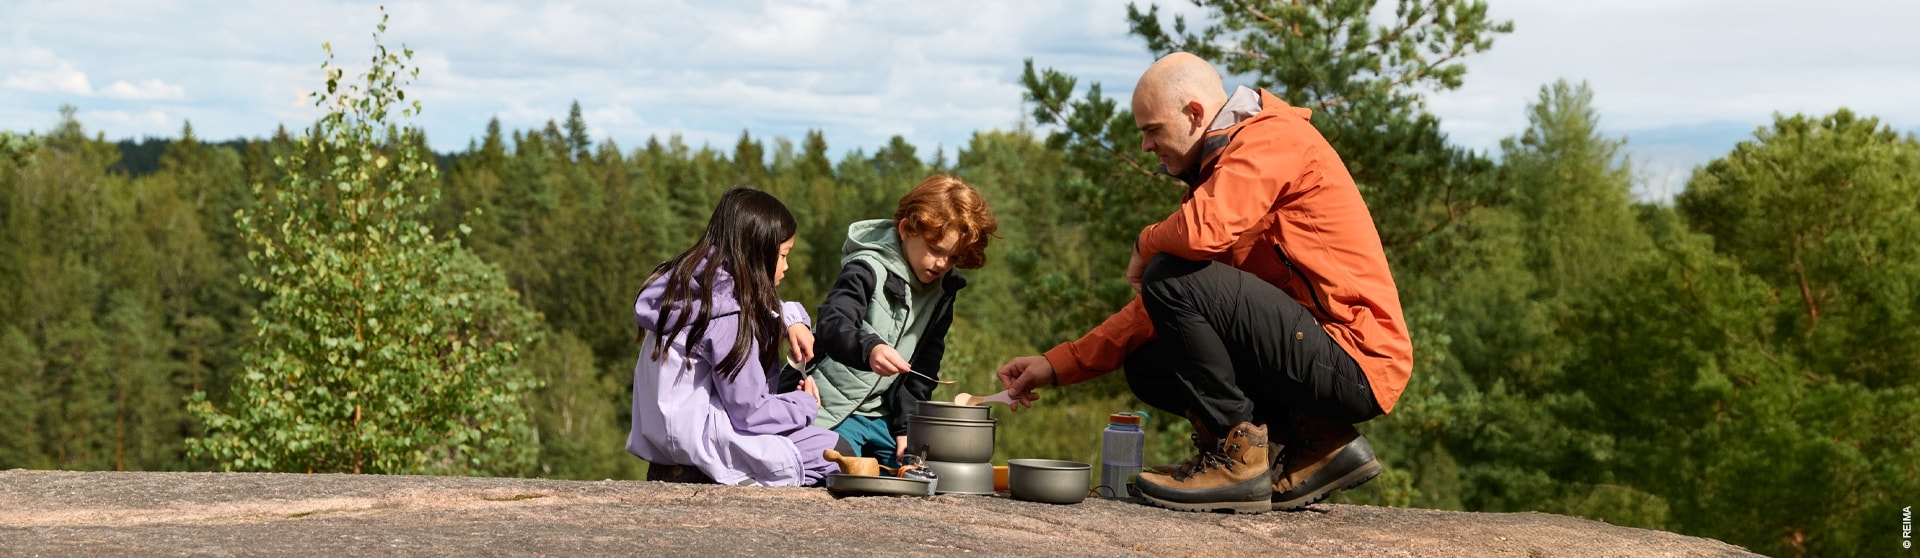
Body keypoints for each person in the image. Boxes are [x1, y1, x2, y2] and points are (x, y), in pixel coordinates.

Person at [994, 52, 1413, 513]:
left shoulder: (1271, 136)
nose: (1146, 146)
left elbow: (1198, 235)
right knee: (1150, 364)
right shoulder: (1226, 168)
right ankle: (1319, 445)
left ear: (1195, 113)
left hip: (1355, 358)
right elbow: (1160, 308)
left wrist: (1145, 242)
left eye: (1152, 130)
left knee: (1166, 274)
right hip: (1315, 354)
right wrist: (1057, 364)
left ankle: (1240, 461)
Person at [626, 186, 840, 487]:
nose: (786, 266)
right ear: (758, 253)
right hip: (708, 454)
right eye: (783, 255)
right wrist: (804, 404)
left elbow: (754, 303)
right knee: (834, 452)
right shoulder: (727, 319)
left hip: (672, 450)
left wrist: (790, 319)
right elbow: (749, 412)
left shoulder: (687, 289)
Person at [805, 174, 998, 468]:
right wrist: (870, 349)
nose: (942, 264)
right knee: (843, 471)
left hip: (884, 421)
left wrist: (907, 428)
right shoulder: (866, 267)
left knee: (920, 474)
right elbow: (832, 324)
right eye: (935, 250)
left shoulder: (944, 290)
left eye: (953, 257)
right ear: (907, 229)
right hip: (829, 410)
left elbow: (925, 365)